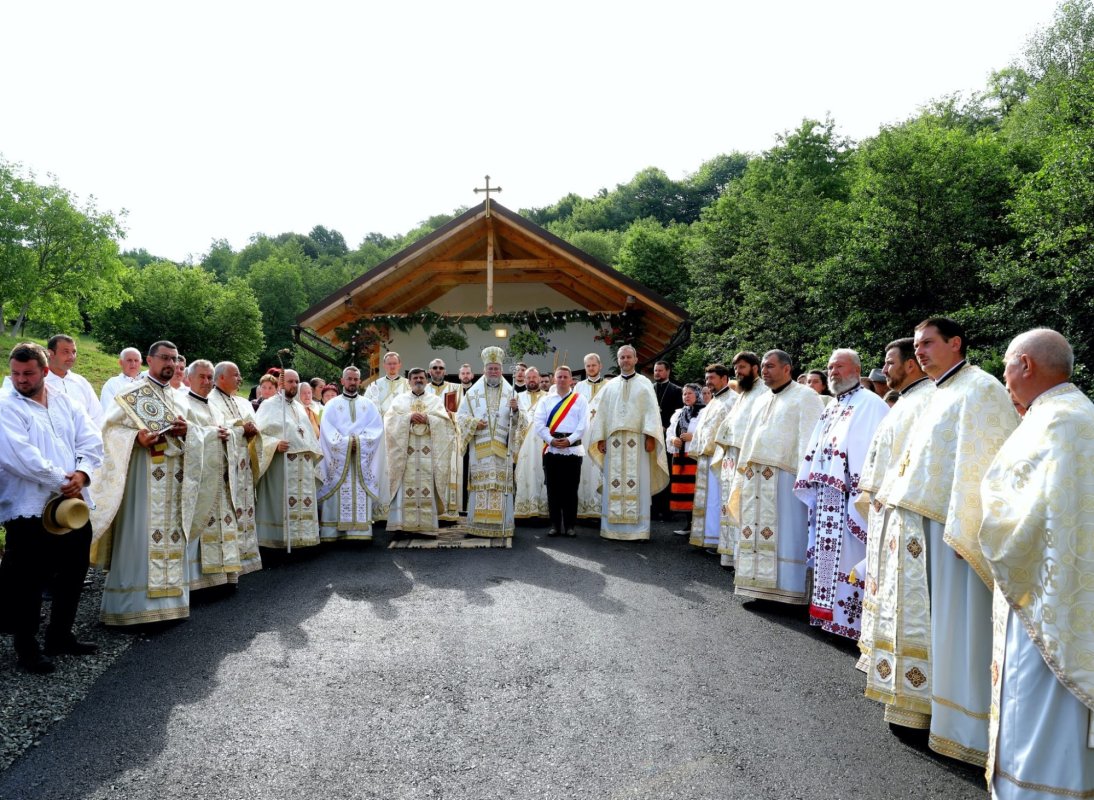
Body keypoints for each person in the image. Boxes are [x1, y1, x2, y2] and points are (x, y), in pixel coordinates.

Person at [873, 317, 1018, 766]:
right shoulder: (935, 392)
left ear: (956, 343)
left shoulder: (981, 389)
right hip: (920, 529)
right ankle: (918, 706)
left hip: (952, 534)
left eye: (928, 343)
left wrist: (968, 527)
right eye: (916, 345)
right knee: (925, 625)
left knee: (954, 630)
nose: (920, 351)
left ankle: (961, 727)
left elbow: (988, 465)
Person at [979, 328, 1094, 798]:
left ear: (1025, 364)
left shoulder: (1059, 422)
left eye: (1007, 365)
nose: (1004, 377)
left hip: (1046, 589)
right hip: (1053, 582)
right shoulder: (1068, 414)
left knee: (1035, 694)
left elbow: (1027, 513)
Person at [0, 342, 103, 673]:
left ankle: (60, 635)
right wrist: (62, 480)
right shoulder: (6, 405)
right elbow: (19, 456)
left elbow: (91, 439)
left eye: (28, 373)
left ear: (45, 371)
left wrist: (83, 473)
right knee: (28, 580)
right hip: (28, 507)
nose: (21, 379)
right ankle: (27, 648)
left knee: (74, 572)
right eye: (16, 373)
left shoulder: (66, 402)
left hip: (72, 506)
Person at [854, 338, 934, 727]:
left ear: (911, 365)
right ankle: (886, 675)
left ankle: (910, 694)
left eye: (889, 363)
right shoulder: (905, 401)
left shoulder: (927, 400)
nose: (884, 370)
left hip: (909, 520)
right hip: (888, 513)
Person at [91, 340, 198, 626]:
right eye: (164, 357)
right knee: (139, 535)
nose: (170, 363)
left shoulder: (180, 398)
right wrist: (136, 438)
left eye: (174, 359)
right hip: (142, 480)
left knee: (172, 537)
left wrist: (188, 431)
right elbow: (108, 431)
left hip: (174, 481)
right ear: (149, 361)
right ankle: (132, 608)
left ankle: (170, 606)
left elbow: (196, 434)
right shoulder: (130, 393)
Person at [795, 349, 889, 641]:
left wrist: (856, 487)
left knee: (850, 558)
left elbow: (872, 453)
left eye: (839, 366)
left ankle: (850, 624)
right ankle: (825, 616)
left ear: (856, 370)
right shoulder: (832, 406)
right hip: (827, 498)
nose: (833, 372)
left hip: (851, 499)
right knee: (826, 558)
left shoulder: (871, 405)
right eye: (830, 367)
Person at [728, 350, 824, 604]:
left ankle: (789, 593)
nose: (765, 370)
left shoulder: (806, 396)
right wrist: (742, 470)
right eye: (763, 366)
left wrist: (806, 478)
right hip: (755, 477)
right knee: (755, 532)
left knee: (787, 535)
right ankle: (758, 589)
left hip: (786, 477)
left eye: (770, 366)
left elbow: (810, 438)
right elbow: (749, 438)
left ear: (786, 369)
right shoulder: (761, 399)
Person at [586, 345, 669, 541]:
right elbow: (602, 413)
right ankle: (611, 529)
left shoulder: (645, 383)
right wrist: (600, 438)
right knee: (613, 482)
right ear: (618, 360)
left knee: (638, 482)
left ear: (635, 359)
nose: (625, 360)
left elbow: (651, 412)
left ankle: (638, 531)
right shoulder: (610, 386)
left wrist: (651, 437)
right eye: (622, 357)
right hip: (613, 442)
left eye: (628, 357)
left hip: (638, 441)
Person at [180, 359, 242, 590]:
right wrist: (213, 434)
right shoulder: (183, 405)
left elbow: (228, 434)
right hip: (200, 481)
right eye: (202, 377)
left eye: (209, 377)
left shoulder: (216, 408)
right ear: (189, 378)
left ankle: (224, 577)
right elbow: (183, 436)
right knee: (202, 527)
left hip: (222, 480)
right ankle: (199, 582)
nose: (206, 382)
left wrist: (229, 436)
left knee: (224, 524)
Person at [209, 360, 270, 578]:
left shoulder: (243, 402)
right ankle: (231, 561)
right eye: (235, 375)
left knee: (246, 508)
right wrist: (241, 429)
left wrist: (252, 430)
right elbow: (217, 430)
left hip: (244, 465)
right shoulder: (211, 400)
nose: (240, 379)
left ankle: (247, 557)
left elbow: (254, 427)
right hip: (227, 467)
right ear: (221, 377)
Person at [255, 369, 323, 550]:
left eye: (296, 382)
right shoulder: (269, 405)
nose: (294, 385)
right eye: (290, 381)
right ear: (281, 383)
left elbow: (307, 434)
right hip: (281, 464)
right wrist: (275, 444)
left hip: (303, 465)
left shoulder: (299, 407)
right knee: (282, 503)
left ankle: (303, 539)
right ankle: (278, 542)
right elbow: (258, 435)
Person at [384, 368, 458, 534]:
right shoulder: (399, 400)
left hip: (427, 452)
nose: (418, 380)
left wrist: (429, 419)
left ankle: (426, 527)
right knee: (405, 485)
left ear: (426, 380)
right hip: (406, 453)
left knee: (427, 486)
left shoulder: (435, 401)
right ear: (409, 381)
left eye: (421, 378)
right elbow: (389, 421)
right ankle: (403, 526)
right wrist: (408, 418)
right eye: (415, 378)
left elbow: (446, 424)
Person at [317, 366, 386, 542]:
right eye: (349, 378)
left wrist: (359, 442)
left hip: (361, 459)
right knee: (336, 490)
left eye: (356, 379)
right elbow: (327, 430)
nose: (352, 382)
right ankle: (333, 532)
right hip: (338, 459)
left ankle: (360, 532)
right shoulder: (332, 405)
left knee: (360, 489)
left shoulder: (369, 405)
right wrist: (348, 443)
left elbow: (376, 428)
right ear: (342, 381)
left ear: (360, 381)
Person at [713, 352, 768, 566]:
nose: (738, 372)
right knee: (730, 502)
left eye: (742, 367)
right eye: (736, 368)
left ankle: (742, 558)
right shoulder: (744, 392)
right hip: (732, 455)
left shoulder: (763, 392)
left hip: (745, 456)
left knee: (743, 504)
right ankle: (730, 554)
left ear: (755, 368)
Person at [457, 347, 519, 539]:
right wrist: (474, 423)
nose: (493, 371)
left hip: (502, 449)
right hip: (480, 450)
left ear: (501, 370)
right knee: (481, 486)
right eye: (490, 368)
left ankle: (502, 526)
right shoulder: (472, 393)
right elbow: (460, 417)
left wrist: (516, 410)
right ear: (484, 370)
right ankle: (477, 526)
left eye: (496, 368)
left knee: (500, 486)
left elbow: (521, 422)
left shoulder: (511, 392)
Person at [531, 366, 588, 537]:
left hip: (573, 449)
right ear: (554, 379)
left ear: (571, 380)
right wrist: (550, 440)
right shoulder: (545, 401)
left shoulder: (580, 400)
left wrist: (570, 440)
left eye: (565, 377)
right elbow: (539, 423)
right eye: (559, 377)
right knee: (553, 489)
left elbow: (584, 424)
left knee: (571, 489)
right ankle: (555, 525)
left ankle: (570, 526)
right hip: (552, 449)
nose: (562, 379)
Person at [688, 364, 737, 551]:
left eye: (712, 378)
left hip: (721, 458)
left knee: (718, 499)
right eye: (707, 378)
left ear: (724, 378)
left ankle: (718, 540)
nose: (708, 382)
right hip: (706, 457)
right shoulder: (714, 401)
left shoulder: (733, 400)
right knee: (708, 500)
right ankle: (706, 537)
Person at [574, 353, 611, 519]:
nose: (591, 368)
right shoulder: (578, 387)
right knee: (584, 471)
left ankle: (600, 510)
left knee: (600, 471)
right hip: (583, 436)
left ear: (600, 366)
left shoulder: (609, 385)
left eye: (593, 365)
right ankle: (583, 509)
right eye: (588, 366)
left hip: (601, 435)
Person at [666, 383, 704, 535]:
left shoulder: (704, 413)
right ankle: (688, 525)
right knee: (685, 492)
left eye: (690, 393)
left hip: (694, 457)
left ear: (697, 395)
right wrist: (673, 439)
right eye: (684, 393)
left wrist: (693, 437)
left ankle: (699, 526)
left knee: (696, 491)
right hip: (680, 457)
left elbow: (708, 433)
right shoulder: (679, 414)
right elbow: (670, 431)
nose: (686, 396)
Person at [514, 367, 551, 520]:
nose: (531, 380)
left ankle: (542, 510)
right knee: (523, 474)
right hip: (524, 445)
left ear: (539, 378)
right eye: (528, 378)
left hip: (542, 443)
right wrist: (514, 410)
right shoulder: (517, 397)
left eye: (534, 377)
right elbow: (513, 421)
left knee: (542, 474)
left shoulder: (548, 397)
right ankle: (523, 509)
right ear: (524, 380)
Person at [44, 334, 103, 425]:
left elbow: (97, 415)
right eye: (66, 352)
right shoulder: (40, 383)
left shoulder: (81, 382)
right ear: (50, 354)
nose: (71, 357)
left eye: (74, 352)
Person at [652, 360, 684, 522]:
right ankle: (652, 509)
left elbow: (679, 415)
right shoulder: (649, 388)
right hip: (651, 436)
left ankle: (666, 510)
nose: (657, 373)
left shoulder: (677, 391)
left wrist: (666, 427)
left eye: (660, 370)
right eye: (655, 370)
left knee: (667, 471)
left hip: (667, 437)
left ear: (668, 371)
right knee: (652, 471)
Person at [99, 347, 144, 411]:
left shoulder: (146, 383)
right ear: (121, 362)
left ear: (140, 363)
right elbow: (108, 411)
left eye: (136, 360)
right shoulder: (112, 384)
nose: (133, 364)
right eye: (129, 360)